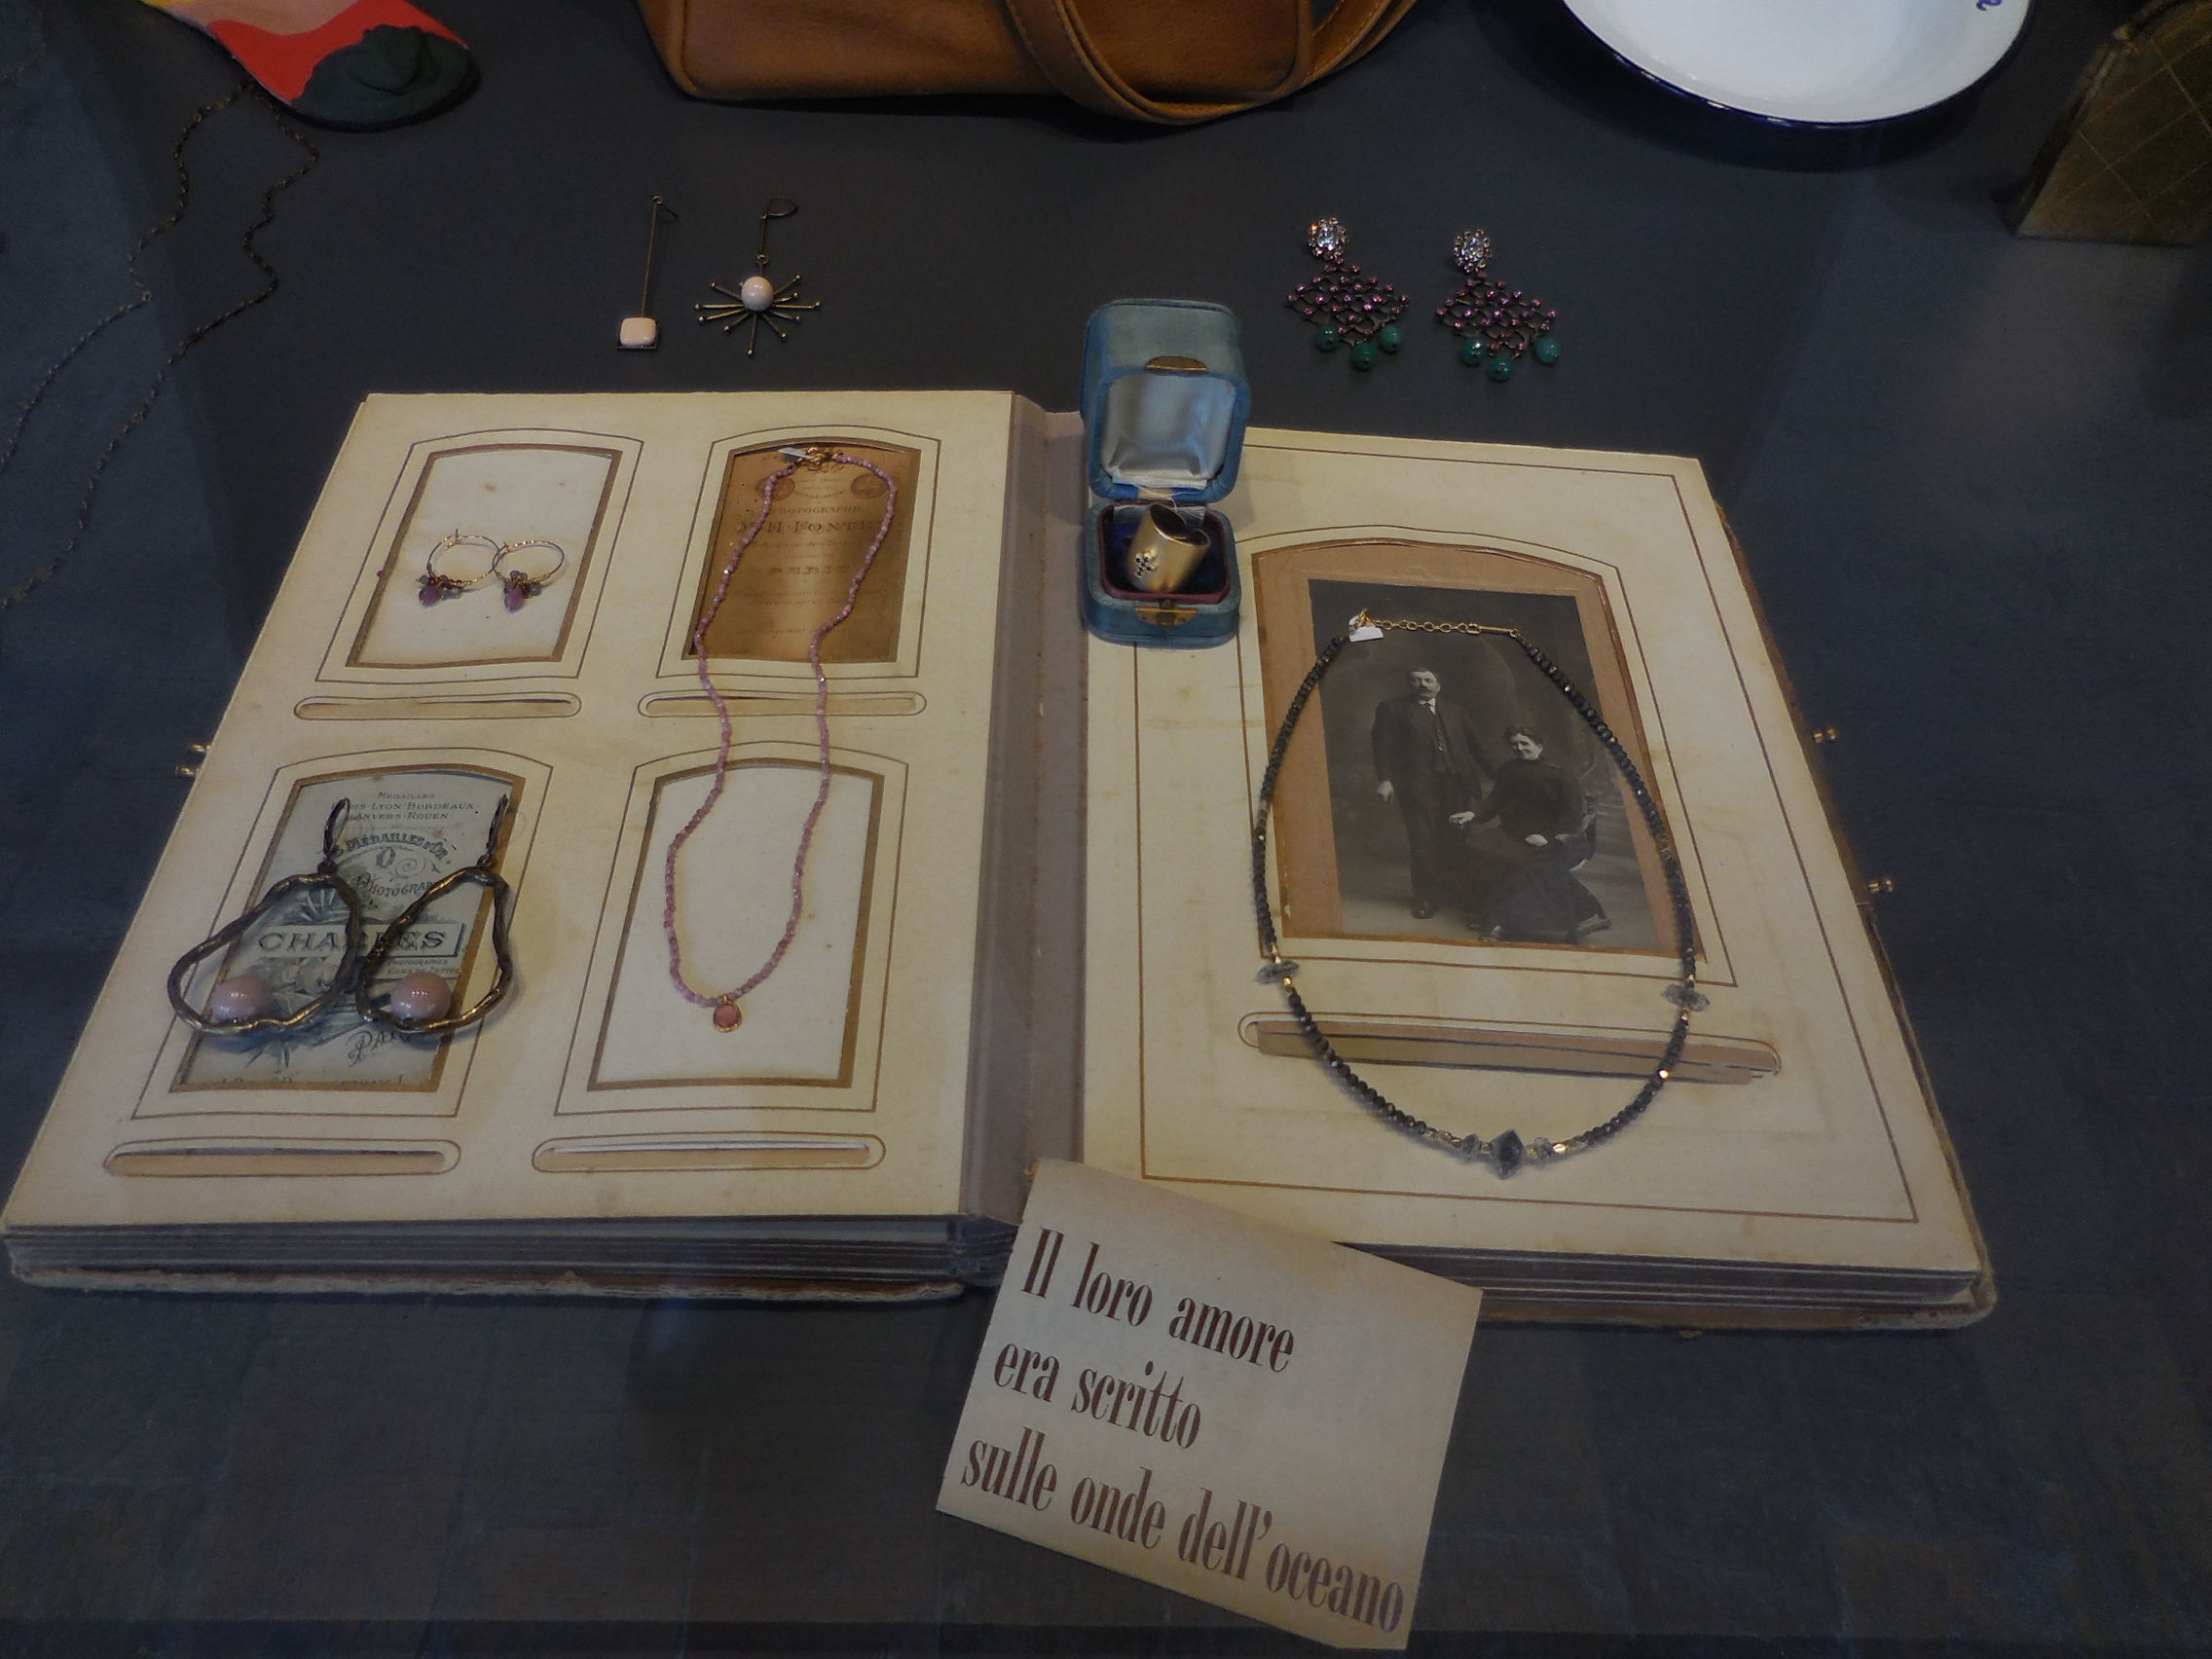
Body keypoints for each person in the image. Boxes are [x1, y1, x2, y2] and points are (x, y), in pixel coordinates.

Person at [1452, 726, 1610, 943]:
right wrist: (1473, 814)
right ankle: (1493, 913)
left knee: (1526, 867)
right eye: (1514, 744)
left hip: (1558, 839)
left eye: (1525, 743)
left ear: (1539, 745)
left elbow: (1572, 816)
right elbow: (1495, 800)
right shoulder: (1509, 770)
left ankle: (1509, 921)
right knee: (1482, 854)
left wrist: (1547, 836)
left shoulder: (1560, 776)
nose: (1519, 748)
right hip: (1515, 835)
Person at [1370, 668, 1493, 919]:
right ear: (1409, 683)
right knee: (1423, 841)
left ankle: (1455, 893)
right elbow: (1382, 745)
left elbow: (1477, 747)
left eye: (1428, 680)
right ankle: (1426, 898)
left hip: (1456, 784)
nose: (1423, 685)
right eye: (1416, 680)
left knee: (1456, 840)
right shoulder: (1393, 709)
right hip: (1418, 786)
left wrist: (1499, 775)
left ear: (1438, 684)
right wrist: (1385, 780)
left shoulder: (1455, 711)